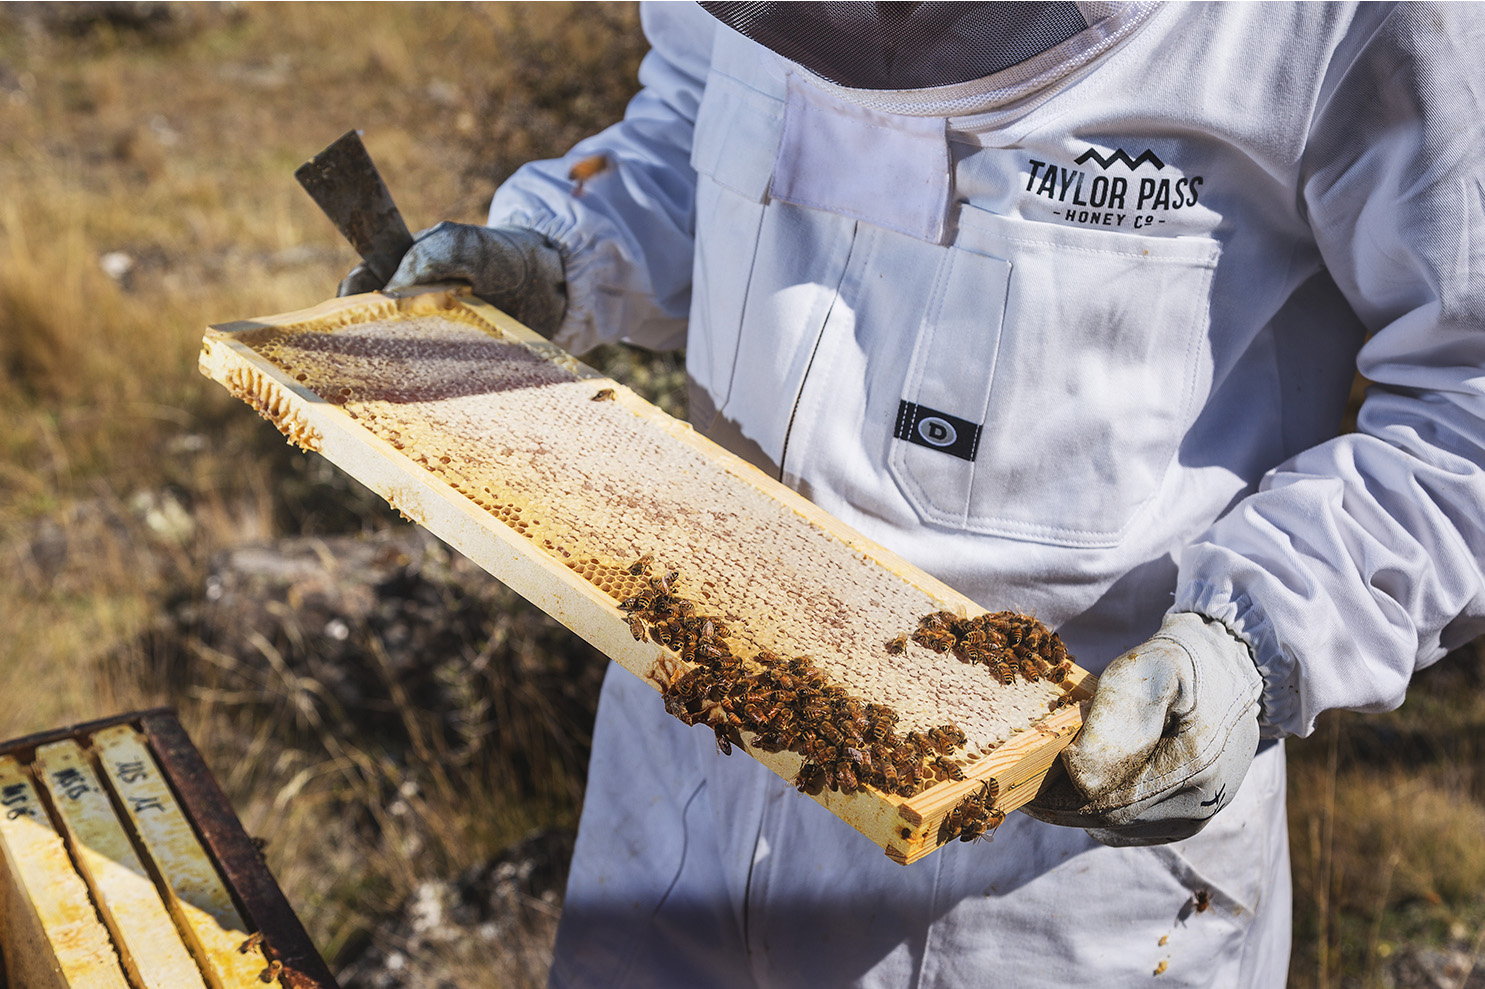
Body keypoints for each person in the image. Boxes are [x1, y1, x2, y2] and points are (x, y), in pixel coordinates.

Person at [341, 3, 1485, 985]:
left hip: (1055, 864)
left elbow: (1465, 397)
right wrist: (569, 251)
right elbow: (699, 119)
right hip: (676, 770)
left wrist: (1257, 643)